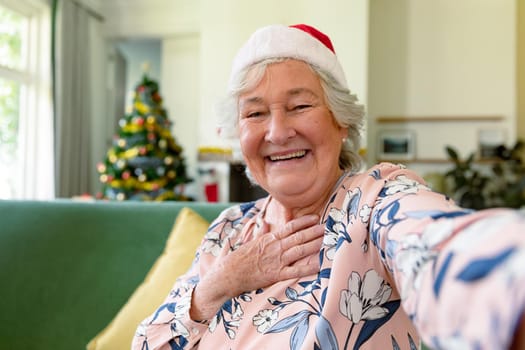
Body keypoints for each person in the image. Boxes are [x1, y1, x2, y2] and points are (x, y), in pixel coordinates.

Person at [132, 24, 525, 349]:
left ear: (342, 122)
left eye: (300, 106)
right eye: (255, 113)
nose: (278, 132)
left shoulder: (375, 200)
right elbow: (145, 344)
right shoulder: (227, 230)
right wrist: (217, 286)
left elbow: (434, 244)